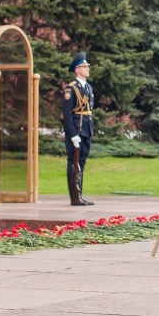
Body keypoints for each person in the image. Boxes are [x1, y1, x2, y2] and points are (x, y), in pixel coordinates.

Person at [63, 51, 95, 206]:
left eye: (87, 66)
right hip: (76, 129)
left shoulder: (88, 87)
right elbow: (67, 114)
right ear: (77, 69)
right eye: (84, 66)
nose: (88, 68)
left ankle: (79, 195)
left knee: (81, 161)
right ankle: (74, 197)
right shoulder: (71, 89)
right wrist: (72, 134)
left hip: (87, 128)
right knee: (73, 162)